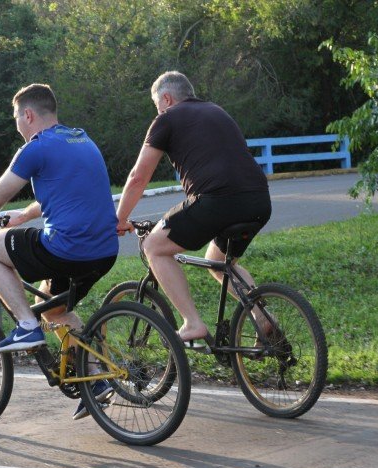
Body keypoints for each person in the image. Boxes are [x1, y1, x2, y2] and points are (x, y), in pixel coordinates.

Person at [0, 83, 118, 419]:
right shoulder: (80, 138)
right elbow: (67, 191)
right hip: (104, 251)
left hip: (68, 248)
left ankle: (25, 326)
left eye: (16, 118)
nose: (17, 125)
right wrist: (25, 215)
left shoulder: (36, 148)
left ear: (29, 114)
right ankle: (95, 379)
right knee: (51, 305)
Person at [115, 71, 272, 343]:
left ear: (166, 98)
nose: (158, 110)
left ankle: (192, 324)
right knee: (219, 262)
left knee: (153, 247)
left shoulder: (166, 119)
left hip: (217, 200)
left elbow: (138, 177)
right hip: (258, 199)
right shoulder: (216, 111)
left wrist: (120, 219)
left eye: (157, 105)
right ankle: (262, 316)